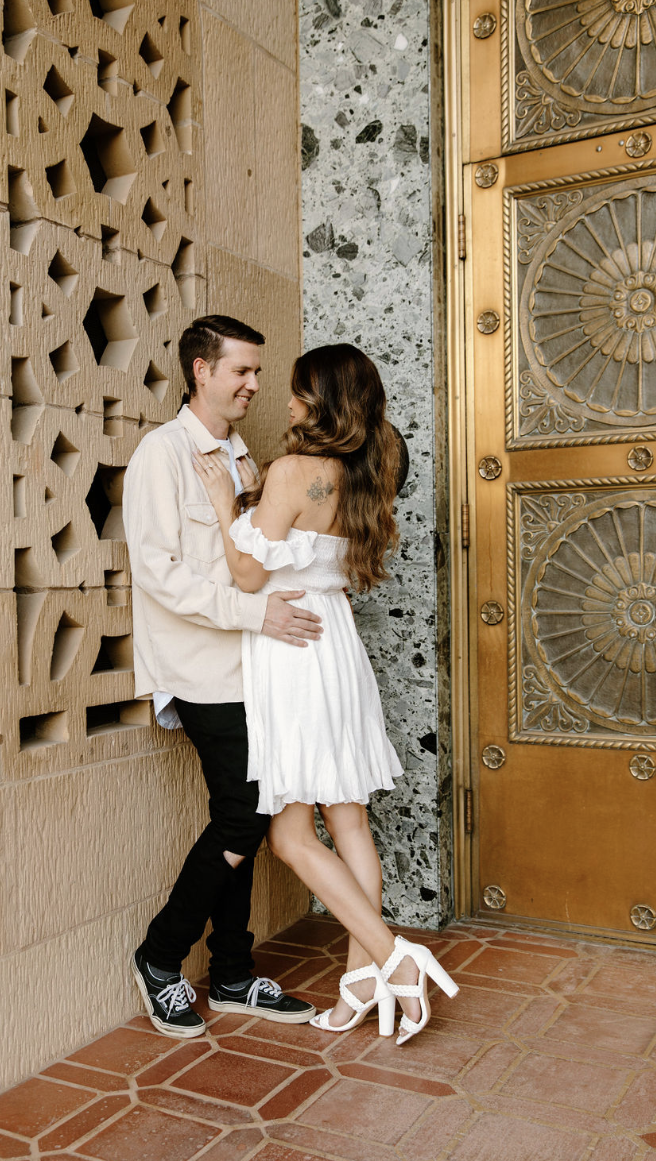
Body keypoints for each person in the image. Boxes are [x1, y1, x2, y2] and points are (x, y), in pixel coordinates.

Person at [193, 344, 459, 1042]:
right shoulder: (371, 467)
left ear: (325, 400)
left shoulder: (293, 472)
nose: (288, 403)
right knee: (348, 822)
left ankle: (394, 958)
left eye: (298, 392)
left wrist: (227, 504)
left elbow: (250, 578)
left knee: (287, 833)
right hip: (335, 645)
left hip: (293, 651)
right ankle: (363, 982)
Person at [122, 314, 323, 1038]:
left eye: (258, 371)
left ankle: (234, 974)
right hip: (203, 668)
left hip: (255, 666)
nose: (254, 384)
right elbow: (160, 576)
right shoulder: (161, 454)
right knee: (244, 817)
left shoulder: (243, 456)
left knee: (248, 812)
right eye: (241, 370)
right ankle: (160, 953)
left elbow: (257, 558)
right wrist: (253, 614)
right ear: (201, 370)